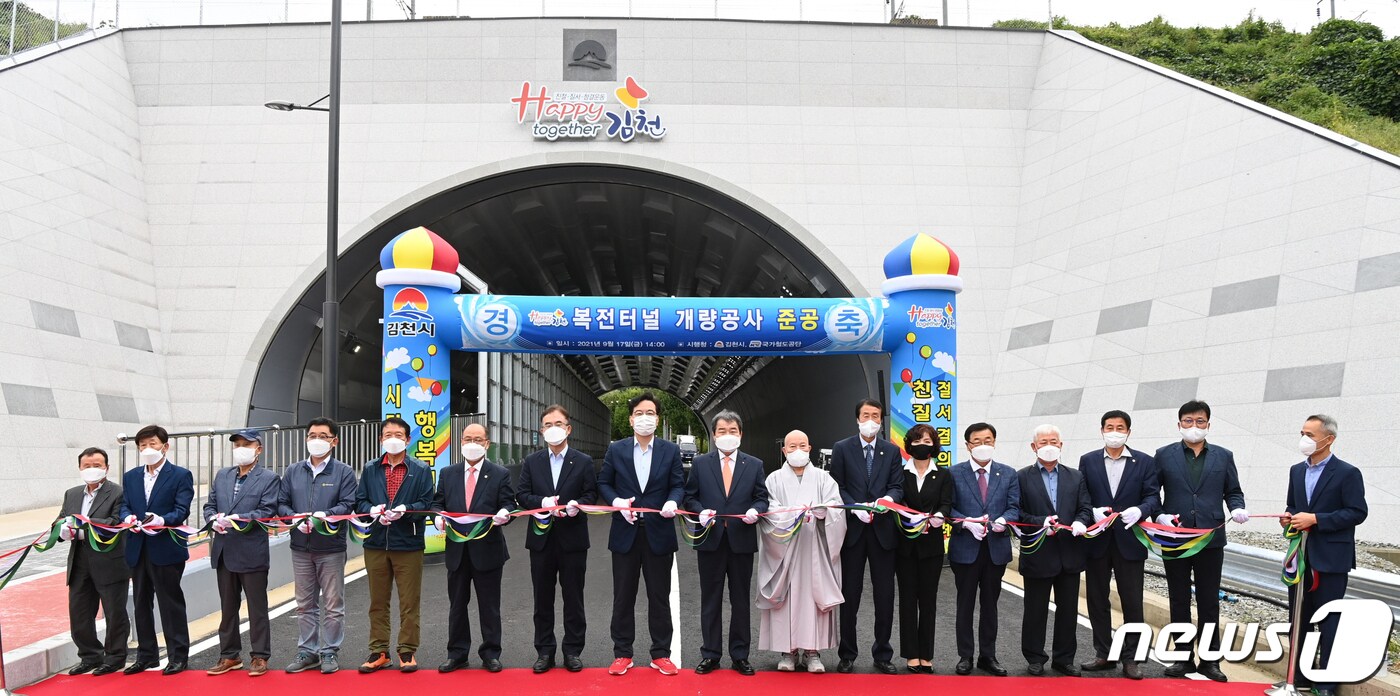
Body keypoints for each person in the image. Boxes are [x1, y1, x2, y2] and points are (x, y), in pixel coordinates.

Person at [1154, 400, 1247, 683]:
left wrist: (1238, 507)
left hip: (1210, 539)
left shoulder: (1223, 456)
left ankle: (1210, 660)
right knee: (1179, 598)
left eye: (1200, 421)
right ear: (1179, 423)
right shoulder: (1163, 455)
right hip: (1176, 539)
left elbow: (1233, 491)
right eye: (1188, 421)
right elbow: (1150, 493)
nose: (1194, 426)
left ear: (1208, 423)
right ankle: (1182, 658)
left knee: (1209, 602)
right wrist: (1160, 516)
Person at [597, 391, 685, 676]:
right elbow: (604, 483)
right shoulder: (617, 449)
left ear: (657, 420)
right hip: (625, 532)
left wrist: (673, 501)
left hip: (659, 533)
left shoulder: (670, 451)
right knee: (623, 596)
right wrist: (616, 502)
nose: (644, 418)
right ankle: (622, 652)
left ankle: (661, 653)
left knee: (659, 596)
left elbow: (678, 484)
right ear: (631, 418)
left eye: (650, 413)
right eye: (639, 413)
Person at [1280, 414, 1368, 696]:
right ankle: (1299, 677)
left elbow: (1357, 512)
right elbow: (1294, 506)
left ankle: (1326, 683)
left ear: (1329, 439)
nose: (1304, 440)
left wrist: (1316, 519)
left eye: (1311, 435)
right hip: (1301, 558)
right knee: (1299, 620)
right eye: (1302, 432)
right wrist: (1289, 518)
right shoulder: (1296, 470)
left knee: (1329, 621)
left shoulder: (1347, 473)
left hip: (1331, 560)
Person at [682, 410, 768, 676]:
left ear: (740, 434)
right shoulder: (700, 464)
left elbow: (761, 497)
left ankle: (740, 654)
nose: (727, 435)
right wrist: (701, 512)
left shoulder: (754, 464)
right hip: (710, 540)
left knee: (741, 600)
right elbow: (689, 496)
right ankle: (710, 654)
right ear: (714, 434)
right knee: (711, 599)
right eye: (722, 431)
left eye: (733, 431)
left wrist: (756, 510)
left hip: (741, 540)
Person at [516, 405, 599, 674]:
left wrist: (578, 505)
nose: (553, 428)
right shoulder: (532, 461)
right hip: (541, 540)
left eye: (558, 423)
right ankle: (544, 651)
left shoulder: (583, 461)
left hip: (573, 539)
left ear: (568, 428)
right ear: (542, 430)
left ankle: (573, 650)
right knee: (542, 598)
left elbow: (591, 494)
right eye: (548, 424)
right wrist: (540, 502)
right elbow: (522, 494)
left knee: (573, 597)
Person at [756, 430, 847, 673]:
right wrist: (790, 514)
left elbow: (837, 507)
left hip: (814, 547)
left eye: (803, 445)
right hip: (784, 550)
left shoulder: (823, 479)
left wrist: (824, 512)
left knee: (812, 596)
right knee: (786, 598)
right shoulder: (773, 479)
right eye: (792, 445)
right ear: (784, 450)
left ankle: (813, 652)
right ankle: (788, 651)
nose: (798, 449)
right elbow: (769, 509)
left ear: (810, 448)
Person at [1078, 410, 1158, 680]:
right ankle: (1104, 653)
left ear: (1128, 432)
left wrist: (1141, 510)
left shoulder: (1144, 462)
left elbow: (1153, 497)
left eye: (1120, 427)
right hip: (1098, 541)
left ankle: (1131, 658)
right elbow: (1082, 496)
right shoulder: (1088, 461)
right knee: (1097, 599)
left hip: (1130, 540)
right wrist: (1091, 512)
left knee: (1132, 601)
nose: (1114, 431)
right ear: (1102, 430)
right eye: (1109, 427)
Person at [431, 423, 515, 674]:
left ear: (487, 444)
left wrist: (505, 513)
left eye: (478, 439)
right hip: (457, 550)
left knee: (489, 605)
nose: (472, 443)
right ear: (461, 442)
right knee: (457, 604)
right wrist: (437, 515)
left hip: (487, 549)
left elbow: (509, 503)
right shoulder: (448, 473)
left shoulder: (499, 473)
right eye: (468, 438)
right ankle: (457, 653)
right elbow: (438, 502)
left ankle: (491, 653)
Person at [828, 398, 903, 674]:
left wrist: (886, 499)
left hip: (883, 532)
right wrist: (854, 508)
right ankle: (847, 653)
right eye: (866, 414)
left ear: (881, 420)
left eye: (876, 415)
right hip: (854, 531)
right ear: (857, 419)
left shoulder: (891, 451)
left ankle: (882, 653)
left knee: (885, 595)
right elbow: (837, 485)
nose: (871, 419)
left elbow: (898, 486)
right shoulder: (842, 448)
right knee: (850, 594)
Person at [356, 417, 437, 674]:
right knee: (377, 601)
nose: (393, 438)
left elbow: (427, 503)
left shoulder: (420, 469)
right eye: (388, 434)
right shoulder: (370, 469)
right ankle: (379, 650)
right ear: (381, 439)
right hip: (376, 542)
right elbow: (359, 503)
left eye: (398, 435)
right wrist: (371, 509)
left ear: (408, 439)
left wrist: (407, 509)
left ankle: (407, 650)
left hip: (408, 543)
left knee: (409, 601)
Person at [280, 417, 359, 675]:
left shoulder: (344, 472)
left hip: (331, 548)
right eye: (312, 435)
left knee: (333, 604)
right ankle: (307, 651)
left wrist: (324, 515)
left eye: (323, 436)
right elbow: (282, 503)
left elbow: (348, 504)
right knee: (304, 603)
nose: (317, 440)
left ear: (334, 441)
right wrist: (293, 518)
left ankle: (330, 651)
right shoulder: (293, 471)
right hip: (300, 546)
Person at [203, 430, 281, 677]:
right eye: (237, 444)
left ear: (259, 449)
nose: (240, 448)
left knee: (257, 607)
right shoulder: (223, 475)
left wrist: (240, 519)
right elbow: (210, 504)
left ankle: (260, 656)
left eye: (246, 444)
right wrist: (211, 518)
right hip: (225, 550)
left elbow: (268, 511)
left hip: (251, 551)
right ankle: (229, 655)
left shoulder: (269, 478)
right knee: (227, 607)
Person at [1016, 424, 1092, 677]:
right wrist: (1040, 523)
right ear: (1033, 447)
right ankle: (1035, 657)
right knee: (1035, 610)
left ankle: (1064, 658)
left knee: (1068, 610)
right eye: (1043, 442)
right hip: (1038, 552)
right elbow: (1017, 513)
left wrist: (1082, 521)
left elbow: (1085, 507)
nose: (1049, 446)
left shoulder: (1076, 476)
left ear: (1061, 445)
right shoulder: (1021, 477)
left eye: (1053, 441)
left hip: (1069, 553)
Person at [120, 424, 195, 676]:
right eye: (142, 445)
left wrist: (162, 520)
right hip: (137, 547)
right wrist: (128, 518)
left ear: (165, 446)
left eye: (152, 444)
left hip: (166, 547)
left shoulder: (180, 475)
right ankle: (147, 655)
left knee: (170, 603)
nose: (147, 449)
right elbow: (125, 505)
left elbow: (182, 509)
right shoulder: (131, 476)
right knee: (141, 603)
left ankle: (178, 656)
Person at [948, 422, 1019, 677]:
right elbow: (948, 509)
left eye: (987, 440)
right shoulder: (954, 473)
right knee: (964, 604)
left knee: (991, 605)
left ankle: (988, 655)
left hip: (995, 550)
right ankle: (965, 656)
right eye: (977, 441)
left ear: (995, 442)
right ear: (967, 445)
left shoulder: (1008, 473)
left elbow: (1014, 507)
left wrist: (1004, 521)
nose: (982, 445)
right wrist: (965, 523)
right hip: (965, 549)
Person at [58, 447, 129, 676]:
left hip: (109, 561)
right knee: (79, 612)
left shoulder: (117, 492)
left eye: (97, 465)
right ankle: (89, 655)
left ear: (106, 468)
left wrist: (83, 525)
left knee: (114, 612)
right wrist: (62, 531)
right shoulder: (72, 493)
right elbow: (60, 521)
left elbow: (115, 522)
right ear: (80, 468)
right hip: (79, 562)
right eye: (87, 466)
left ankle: (115, 657)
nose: (91, 470)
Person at [894, 425, 953, 674]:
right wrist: (906, 513)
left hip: (932, 547)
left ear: (934, 445)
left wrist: (940, 515)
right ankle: (911, 654)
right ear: (910, 444)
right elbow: (895, 498)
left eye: (927, 440)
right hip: (905, 545)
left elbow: (947, 503)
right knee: (908, 599)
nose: (922, 444)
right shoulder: (900, 472)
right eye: (917, 440)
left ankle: (926, 654)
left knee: (928, 601)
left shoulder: (943, 474)